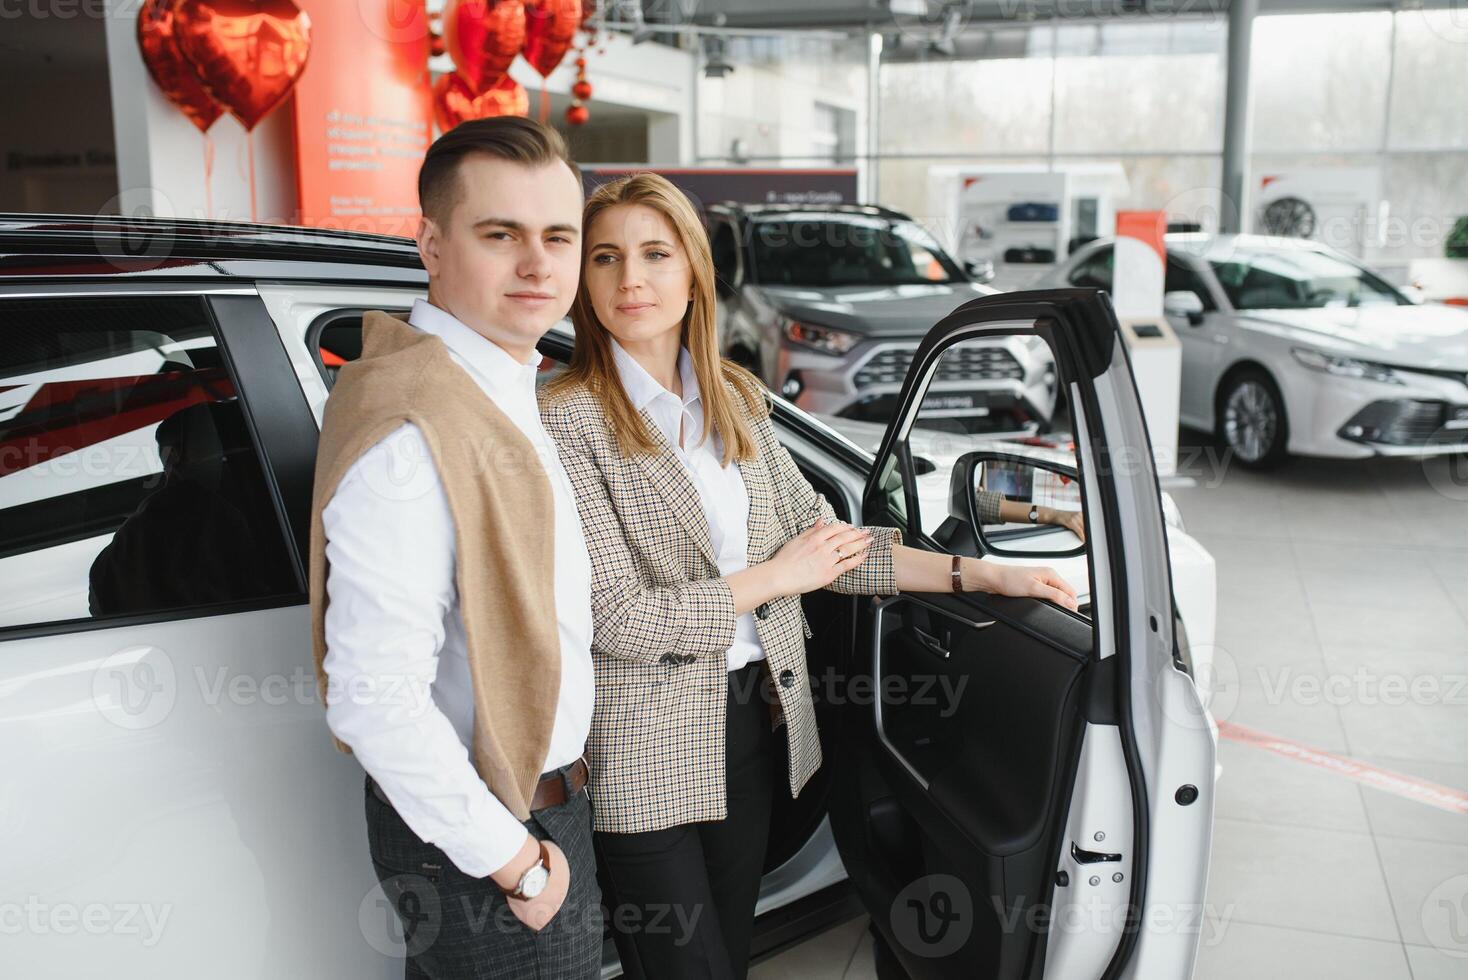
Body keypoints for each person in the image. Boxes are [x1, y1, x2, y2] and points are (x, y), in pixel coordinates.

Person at [538, 172, 1078, 979]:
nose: (631, 279)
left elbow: (833, 549)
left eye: (656, 253)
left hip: (755, 725)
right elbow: (620, 618)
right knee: (683, 966)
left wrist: (984, 578)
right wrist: (777, 577)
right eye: (606, 257)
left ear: (694, 271)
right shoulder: (564, 415)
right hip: (642, 740)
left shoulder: (737, 400)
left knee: (727, 949)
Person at [308, 118, 601, 979]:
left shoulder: (499, 383)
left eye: (558, 237)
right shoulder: (415, 426)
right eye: (500, 235)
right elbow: (371, 699)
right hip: (492, 837)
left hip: (521, 817)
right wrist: (514, 859)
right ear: (432, 245)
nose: (538, 265)